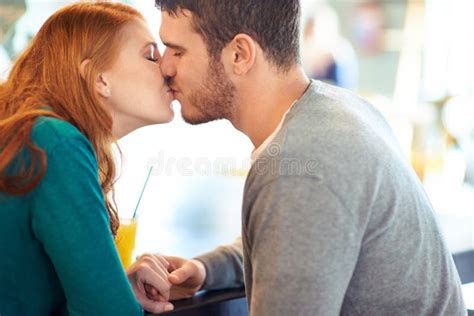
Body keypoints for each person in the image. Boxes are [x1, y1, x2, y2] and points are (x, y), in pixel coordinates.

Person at [141, 0, 467, 314]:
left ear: (239, 54)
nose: (166, 66)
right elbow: (302, 243)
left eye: (178, 50)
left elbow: (301, 213)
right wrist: (207, 269)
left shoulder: (297, 169)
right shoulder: (339, 109)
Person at [0, 2, 174, 315]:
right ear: (99, 79)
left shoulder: (38, 133)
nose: (168, 69)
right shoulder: (58, 143)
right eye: (151, 55)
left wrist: (112, 284)